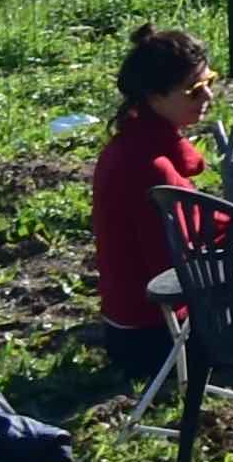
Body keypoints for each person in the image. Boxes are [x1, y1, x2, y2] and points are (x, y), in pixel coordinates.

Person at [84, 23, 213, 387]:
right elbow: (175, 268)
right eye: (194, 90)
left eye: (209, 81)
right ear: (155, 97)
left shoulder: (137, 142)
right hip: (156, 339)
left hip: (130, 329)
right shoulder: (149, 167)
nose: (208, 96)